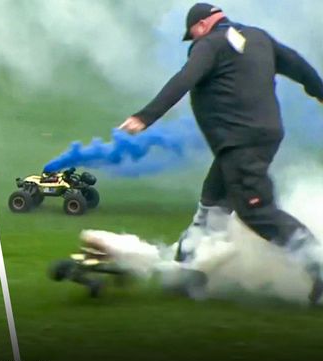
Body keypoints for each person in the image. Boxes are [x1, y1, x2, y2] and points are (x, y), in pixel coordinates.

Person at [118, 3, 323, 303]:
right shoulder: (259, 37)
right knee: (212, 203)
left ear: (201, 25)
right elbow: (298, 65)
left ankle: (317, 262)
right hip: (260, 136)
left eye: (193, 34)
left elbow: (185, 79)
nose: (194, 40)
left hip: (241, 142)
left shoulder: (210, 45)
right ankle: (189, 266)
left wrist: (145, 117)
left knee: (256, 211)